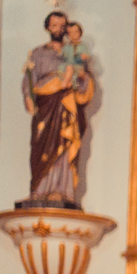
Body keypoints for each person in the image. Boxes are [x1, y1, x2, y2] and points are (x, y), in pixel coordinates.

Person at [21, 10, 95, 205]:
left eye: (62, 26)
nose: (58, 30)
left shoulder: (74, 51)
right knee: (40, 145)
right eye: (54, 26)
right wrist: (28, 98)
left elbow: (85, 79)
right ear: (47, 27)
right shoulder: (38, 52)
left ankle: (61, 190)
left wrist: (81, 79)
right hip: (45, 106)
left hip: (66, 104)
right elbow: (29, 79)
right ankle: (38, 189)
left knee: (64, 141)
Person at [58, 22, 91, 86]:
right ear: (68, 35)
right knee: (64, 69)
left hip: (77, 66)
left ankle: (65, 82)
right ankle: (70, 82)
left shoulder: (83, 46)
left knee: (70, 68)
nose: (74, 34)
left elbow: (86, 55)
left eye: (76, 32)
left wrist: (85, 57)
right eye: (71, 33)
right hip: (67, 66)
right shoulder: (67, 46)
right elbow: (62, 55)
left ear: (80, 33)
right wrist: (60, 52)